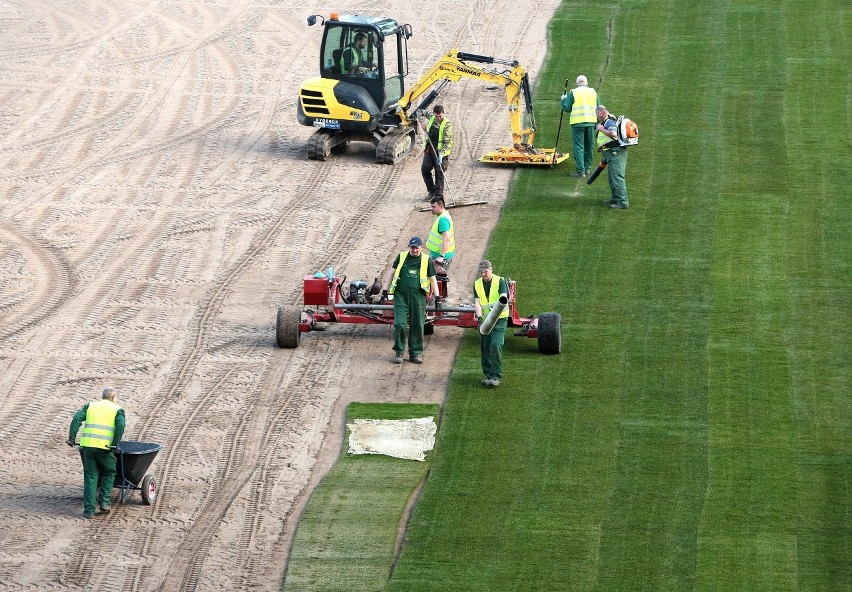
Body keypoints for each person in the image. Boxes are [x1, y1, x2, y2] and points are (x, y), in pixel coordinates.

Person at [67, 386, 126, 519]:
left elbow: (77, 418)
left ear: (103, 396)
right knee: (109, 472)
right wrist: (115, 443)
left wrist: (71, 438)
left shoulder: (91, 406)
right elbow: (120, 425)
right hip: (104, 447)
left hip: (88, 446)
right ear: (113, 398)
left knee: (90, 476)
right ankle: (104, 503)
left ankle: (89, 511)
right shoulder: (117, 409)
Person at [381, 236, 440, 364]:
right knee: (399, 324)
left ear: (421, 247)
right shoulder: (402, 257)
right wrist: (385, 290)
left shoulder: (426, 260)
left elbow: (432, 279)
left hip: (418, 297)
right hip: (400, 296)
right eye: (412, 248)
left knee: (417, 325)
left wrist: (438, 297)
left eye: (416, 248)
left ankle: (416, 353)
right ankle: (399, 352)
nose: (414, 250)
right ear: (410, 247)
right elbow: (391, 273)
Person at [473, 260, 509, 387]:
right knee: (485, 347)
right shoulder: (477, 284)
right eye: (481, 272)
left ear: (491, 269)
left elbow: (503, 296)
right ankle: (488, 374)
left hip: (500, 319)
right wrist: (479, 317)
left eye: (485, 271)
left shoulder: (500, 281)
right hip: (486, 320)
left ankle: (496, 376)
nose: (483, 274)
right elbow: (477, 303)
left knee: (495, 345)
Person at [561, 75, 599, 177]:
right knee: (589, 146)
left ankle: (580, 171)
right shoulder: (593, 92)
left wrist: (563, 100)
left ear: (577, 83)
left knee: (579, 147)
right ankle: (587, 169)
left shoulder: (573, 92)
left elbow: (566, 108)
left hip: (577, 124)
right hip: (591, 123)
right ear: (586, 83)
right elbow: (599, 108)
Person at [596, 105, 629, 209]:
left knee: (617, 177)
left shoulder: (609, 122)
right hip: (611, 154)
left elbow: (614, 134)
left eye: (596, 114)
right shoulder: (610, 118)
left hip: (615, 153)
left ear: (600, 113)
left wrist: (602, 129)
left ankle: (623, 202)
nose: (596, 116)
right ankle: (615, 198)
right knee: (612, 177)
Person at [420, 105, 453, 200]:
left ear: (443, 114)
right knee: (425, 169)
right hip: (430, 147)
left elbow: (447, 142)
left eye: (440, 116)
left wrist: (441, 155)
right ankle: (431, 191)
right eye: (436, 116)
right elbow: (419, 111)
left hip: (441, 151)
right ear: (433, 114)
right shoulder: (431, 116)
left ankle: (439, 196)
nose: (438, 118)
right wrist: (422, 122)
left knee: (439, 172)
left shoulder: (447, 124)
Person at [425, 196, 455, 275]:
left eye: (434, 207)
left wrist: (441, 256)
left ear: (441, 207)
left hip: (440, 258)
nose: (432, 208)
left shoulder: (443, 220)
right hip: (437, 255)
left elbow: (446, 238)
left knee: (438, 281)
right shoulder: (441, 216)